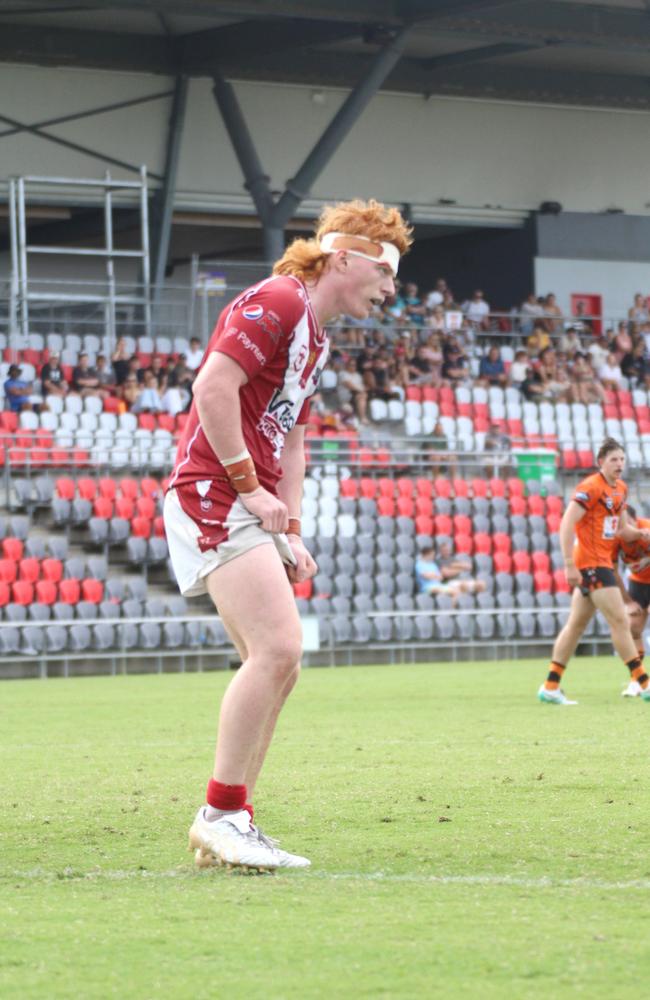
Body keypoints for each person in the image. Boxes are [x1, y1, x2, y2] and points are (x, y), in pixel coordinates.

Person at [164, 198, 412, 871]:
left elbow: (294, 443)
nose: (391, 289)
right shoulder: (279, 300)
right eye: (385, 272)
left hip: (242, 497)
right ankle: (218, 816)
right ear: (343, 260)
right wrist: (250, 489)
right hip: (214, 492)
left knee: (283, 663)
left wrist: (291, 527)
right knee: (277, 646)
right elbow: (211, 389)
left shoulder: (315, 333)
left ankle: (234, 816)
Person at [538, 437, 650, 705]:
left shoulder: (620, 489)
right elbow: (567, 522)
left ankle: (551, 686)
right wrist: (568, 563)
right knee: (621, 622)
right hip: (592, 563)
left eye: (622, 459)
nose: (619, 464)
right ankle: (644, 683)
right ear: (601, 462)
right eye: (614, 459)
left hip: (597, 563)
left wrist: (643, 533)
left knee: (576, 626)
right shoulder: (591, 486)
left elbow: (623, 530)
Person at [613, 505, 650, 697]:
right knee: (633, 627)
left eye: (627, 523)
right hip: (637, 584)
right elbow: (613, 571)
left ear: (636, 521)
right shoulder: (615, 539)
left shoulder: (647, 530)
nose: (624, 529)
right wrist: (627, 601)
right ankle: (637, 680)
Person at [415, 543, 485, 601]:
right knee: (457, 590)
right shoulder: (420, 564)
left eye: (448, 550)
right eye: (432, 555)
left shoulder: (433, 565)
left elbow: (440, 577)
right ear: (427, 554)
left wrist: (453, 566)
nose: (433, 556)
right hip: (428, 587)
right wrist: (460, 569)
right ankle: (452, 612)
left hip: (438, 584)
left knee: (481, 584)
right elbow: (428, 576)